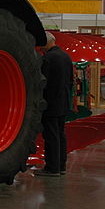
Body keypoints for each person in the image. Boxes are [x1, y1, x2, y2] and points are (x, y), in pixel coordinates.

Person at [36, 31, 74, 177]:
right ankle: (61, 165)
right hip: (63, 101)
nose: (40, 48)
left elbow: (43, 82)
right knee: (60, 134)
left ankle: (52, 168)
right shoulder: (65, 57)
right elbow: (70, 80)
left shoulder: (48, 58)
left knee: (51, 135)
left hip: (50, 103)